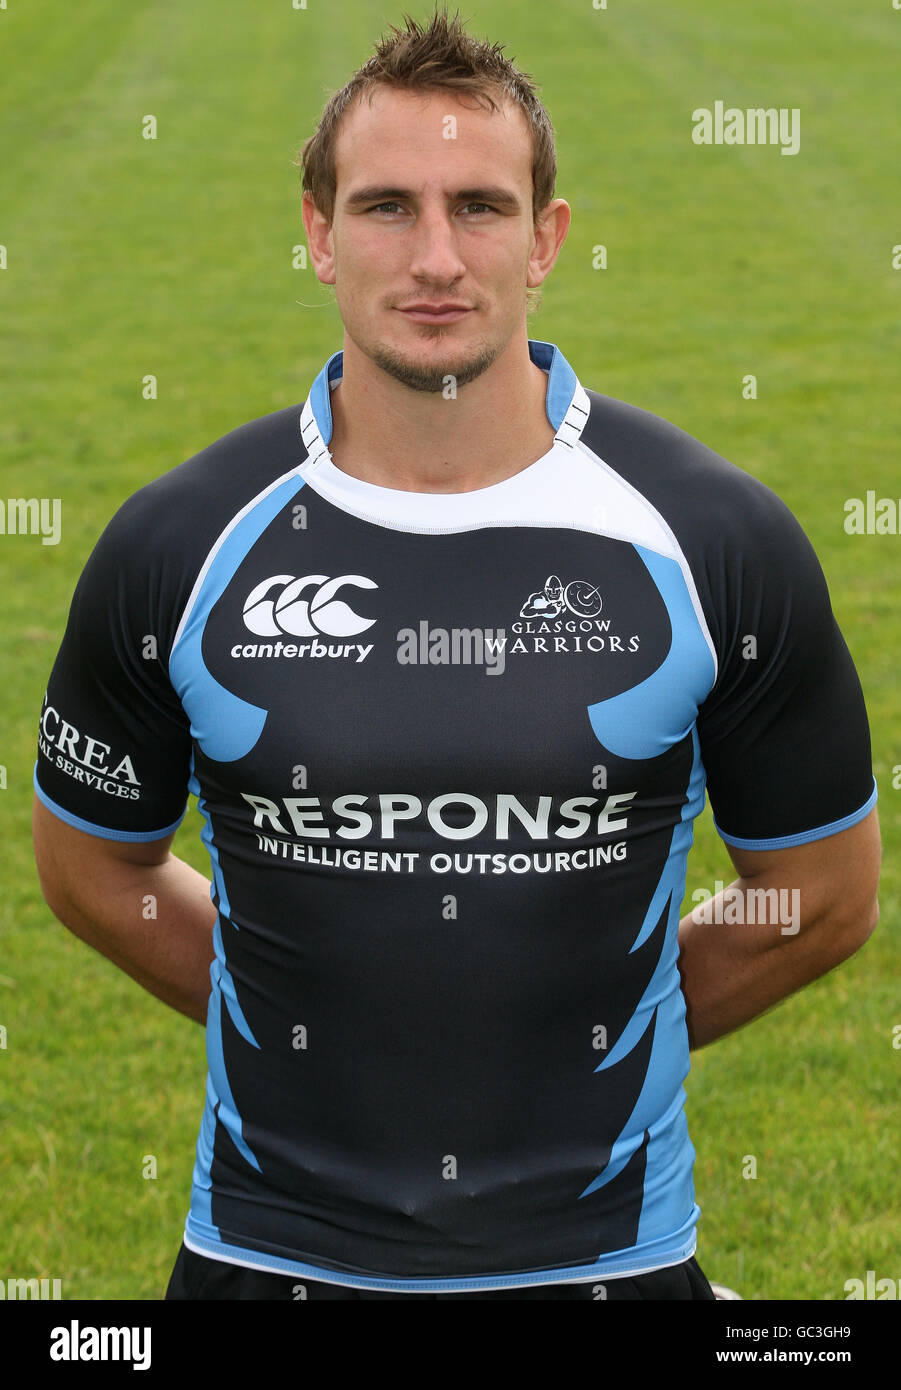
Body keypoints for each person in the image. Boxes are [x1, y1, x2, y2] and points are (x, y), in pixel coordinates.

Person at [31, 9, 880, 1301]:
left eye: (478, 206)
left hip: (605, 1267)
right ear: (316, 232)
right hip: (269, 1261)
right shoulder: (181, 542)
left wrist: (603, 1031)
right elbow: (91, 862)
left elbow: (818, 893)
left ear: (545, 236)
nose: (434, 256)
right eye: (384, 208)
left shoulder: (712, 540)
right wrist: (307, 1027)